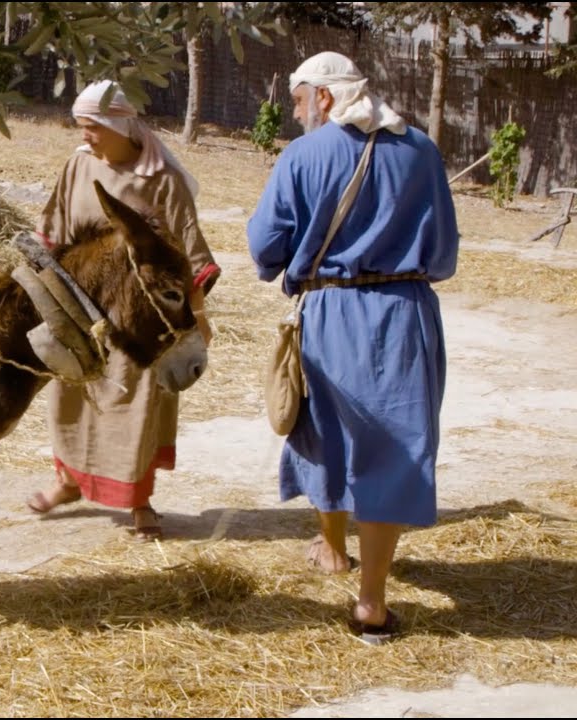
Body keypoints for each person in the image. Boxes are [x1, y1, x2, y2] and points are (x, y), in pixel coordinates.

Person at [247, 52, 459, 643]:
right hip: (406, 315)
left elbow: (265, 249)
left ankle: (335, 549)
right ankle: (371, 603)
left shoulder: (304, 155)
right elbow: (442, 253)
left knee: (326, 433)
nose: (293, 113)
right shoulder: (420, 149)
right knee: (395, 447)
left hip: (331, 314)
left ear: (322, 98)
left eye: (296, 100)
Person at [26, 80, 219, 540]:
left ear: (118, 124)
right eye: (82, 127)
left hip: (141, 320)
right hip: (81, 305)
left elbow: (188, 254)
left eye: (92, 127)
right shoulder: (79, 163)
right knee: (73, 397)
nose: (86, 136)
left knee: (138, 406)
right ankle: (68, 482)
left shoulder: (163, 181)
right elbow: (52, 226)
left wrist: (197, 317)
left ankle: (139, 502)